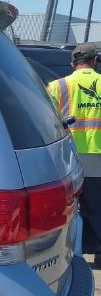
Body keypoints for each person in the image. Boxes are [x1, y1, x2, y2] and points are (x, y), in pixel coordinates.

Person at [47, 43, 101, 265]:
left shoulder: (56, 86)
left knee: (71, 209)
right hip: (97, 154)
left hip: (68, 157)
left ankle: (69, 254)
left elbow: (48, 123)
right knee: (97, 207)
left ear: (72, 64)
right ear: (95, 61)